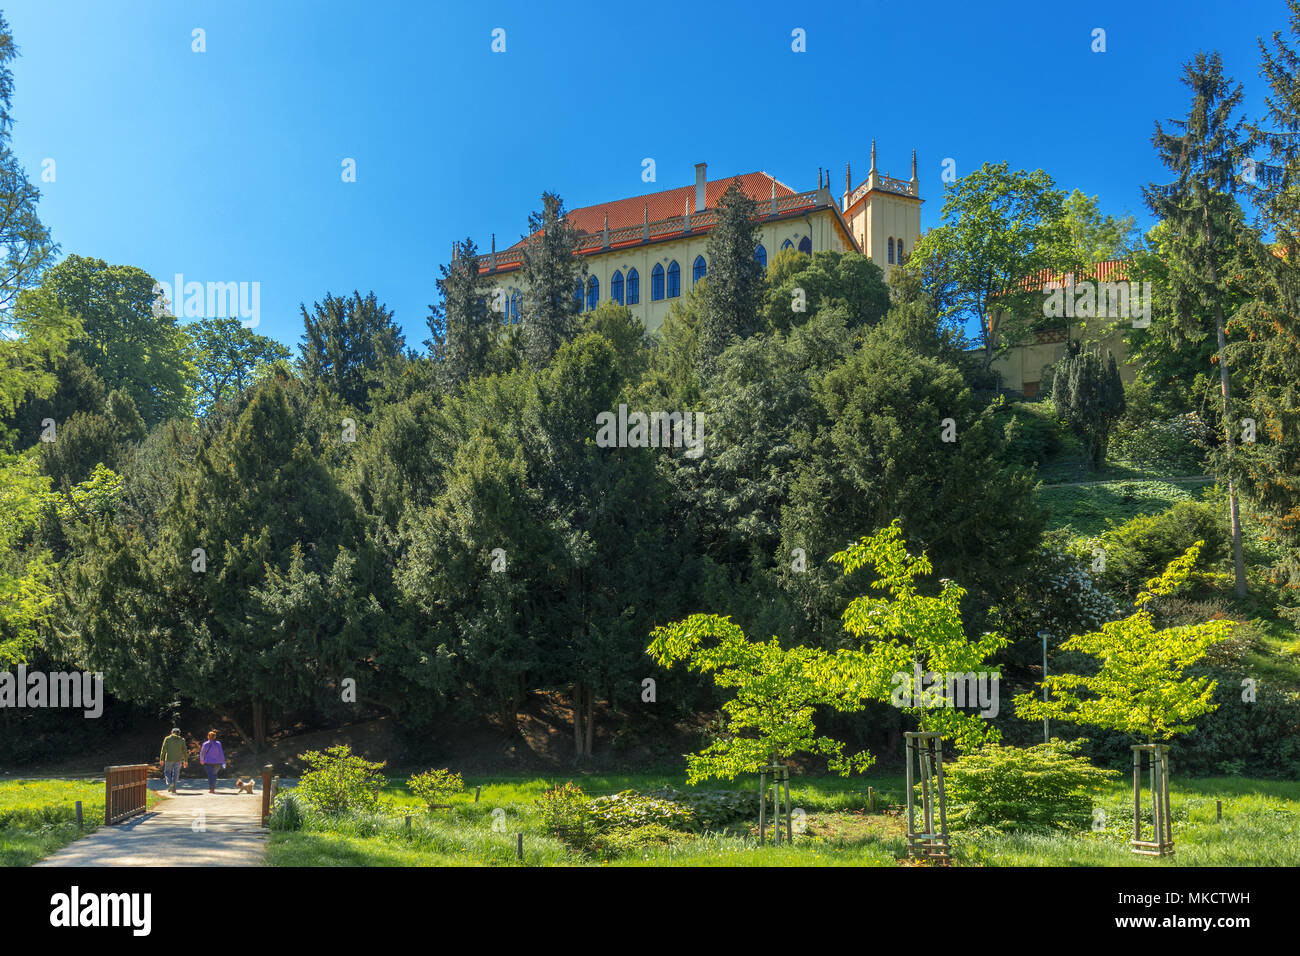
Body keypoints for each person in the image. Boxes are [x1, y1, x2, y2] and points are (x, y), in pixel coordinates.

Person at [158, 727, 188, 792]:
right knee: (176, 773)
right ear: (179, 733)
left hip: (169, 758)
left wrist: (161, 759)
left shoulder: (167, 739)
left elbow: (163, 750)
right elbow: (185, 751)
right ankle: (173, 786)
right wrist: (185, 760)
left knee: (167, 772)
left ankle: (170, 784)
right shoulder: (182, 740)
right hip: (178, 759)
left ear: (172, 732)